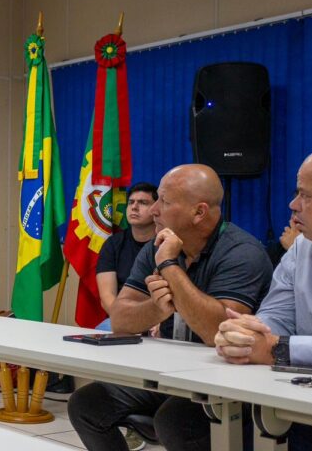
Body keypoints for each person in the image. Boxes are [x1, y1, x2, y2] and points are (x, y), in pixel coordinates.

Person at [68, 164, 273, 451]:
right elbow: (120, 320)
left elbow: (218, 332)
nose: (154, 210)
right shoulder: (156, 245)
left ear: (199, 212)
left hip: (225, 382)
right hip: (169, 373)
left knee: (174, 420)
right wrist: (156, 308)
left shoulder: (242, 253)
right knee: (86, 404)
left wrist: (169, 266)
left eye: (164, 201)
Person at [215, 150, 312, 450]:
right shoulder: (303, 247)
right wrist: (245, 334)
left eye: (305, 195)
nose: (293, 205)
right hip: (302, 397)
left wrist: (279, 349)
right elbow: (275, 316)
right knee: (190, 420)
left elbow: (275, 346)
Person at [95, 182, 158, 330]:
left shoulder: (166, 243)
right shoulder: (113, 244)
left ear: (157, 209)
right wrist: (126, 320)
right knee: (100, 331)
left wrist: (158, 324)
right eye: (131, 202)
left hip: (160, 320)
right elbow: (107, 297)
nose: (134, 207)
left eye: (143, 202)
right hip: (123, 316)